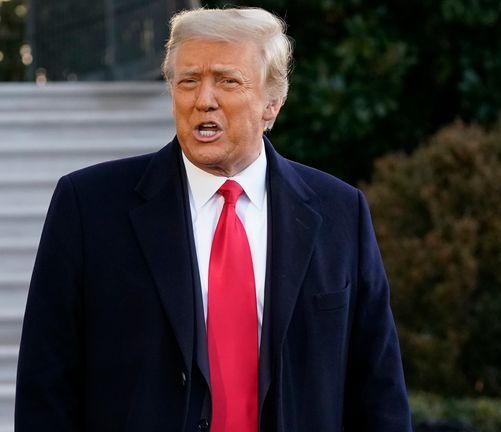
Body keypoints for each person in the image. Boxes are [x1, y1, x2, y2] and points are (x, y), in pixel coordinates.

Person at [15, 7, 412, 432]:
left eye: (227, 80)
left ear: (271, 103)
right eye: (188, 81)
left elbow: (378, 389)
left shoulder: (340, 212)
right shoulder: (88, 207)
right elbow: (45, 385)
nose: (204, 99)